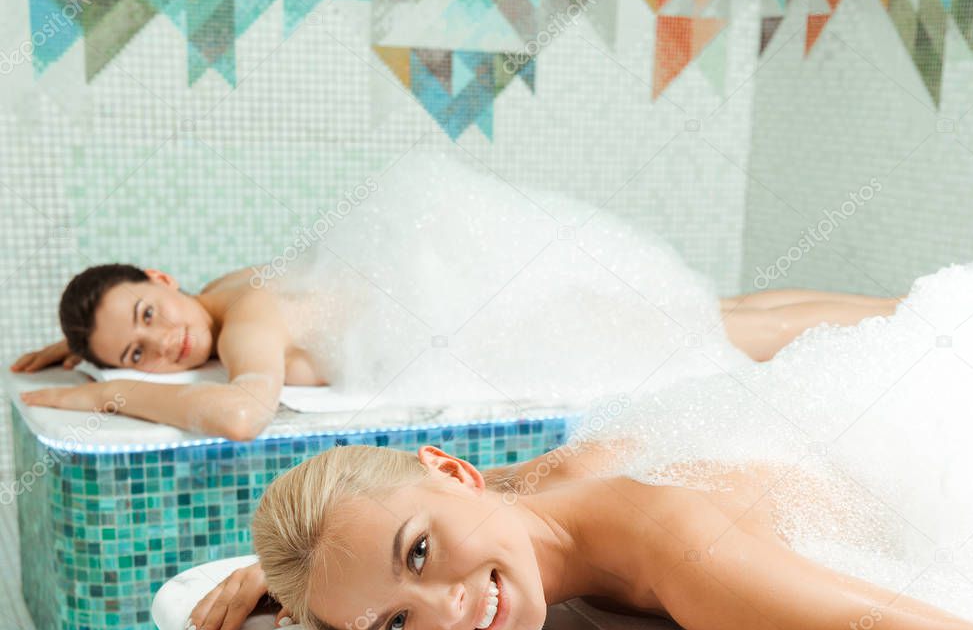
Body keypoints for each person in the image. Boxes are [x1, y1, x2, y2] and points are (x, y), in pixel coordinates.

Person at [184, 255, 973, 630]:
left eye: (418, 554)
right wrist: (307, 575)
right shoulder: (512, 497)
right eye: (395, 629)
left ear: (451, 471)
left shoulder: (686, 551)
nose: (451, 609)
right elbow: (386, 547)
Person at [11, 153, 898, 439]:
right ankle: (908, 310)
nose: (161, 348)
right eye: (135, 351)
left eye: (148, 317)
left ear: (160, 280)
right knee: (725, 313)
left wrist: (105, 391)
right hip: (495, 296)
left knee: (725, 333)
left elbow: (244, 413)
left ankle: (918, 321)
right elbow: (178, 339)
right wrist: (85, 343)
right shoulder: (221, 288)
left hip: (517, 323)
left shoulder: (244, 319)